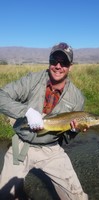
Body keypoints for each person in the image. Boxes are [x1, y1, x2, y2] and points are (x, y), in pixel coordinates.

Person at [0, 42, 88, 200]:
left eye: (64, 62)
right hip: (21, 145)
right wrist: (25, 112)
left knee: (76, 197)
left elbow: (67, 138)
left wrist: (74, 130)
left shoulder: (77, 98)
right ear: (49, 61)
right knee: (6, 195)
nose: (58, 66)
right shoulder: (32, 80)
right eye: (54, 60)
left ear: (70, 66)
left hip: (51, 150)